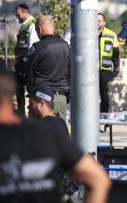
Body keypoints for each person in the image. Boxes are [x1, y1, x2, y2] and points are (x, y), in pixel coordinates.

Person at [0, 66, 111, 203]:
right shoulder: (50, 129)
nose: (28, 106)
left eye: (32, 102)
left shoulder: (47, 128)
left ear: (41, 103)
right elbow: (98, 179)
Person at [25, 15, 71, 120]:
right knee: (59, 132)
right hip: (60, 97)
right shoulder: (65, 46)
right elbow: (70, 71)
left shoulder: (38, 47)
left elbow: (26, 69)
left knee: (39, 133)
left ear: (40, 29)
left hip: (42, 98)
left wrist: (32, 91)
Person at [14, 3, 39, 116]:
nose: (17, 17)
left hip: (28, 65)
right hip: (21, 65)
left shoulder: (32, 25)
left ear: (26, 12)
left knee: (31, 92)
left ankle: (33, 115)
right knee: (18, 89)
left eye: (18, 14)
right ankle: (21, 115)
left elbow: (32, 46)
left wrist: (24, 61)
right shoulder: (24, 26)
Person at [98, 13, 120, 113]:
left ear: (104, 22)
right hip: (90, 70)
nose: (97, 23)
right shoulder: (88, 33)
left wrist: (116, 67)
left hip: (105, 69)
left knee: (104, 94)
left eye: (99, 20)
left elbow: (116, 52)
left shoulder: (111, 34)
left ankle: (104, 116)